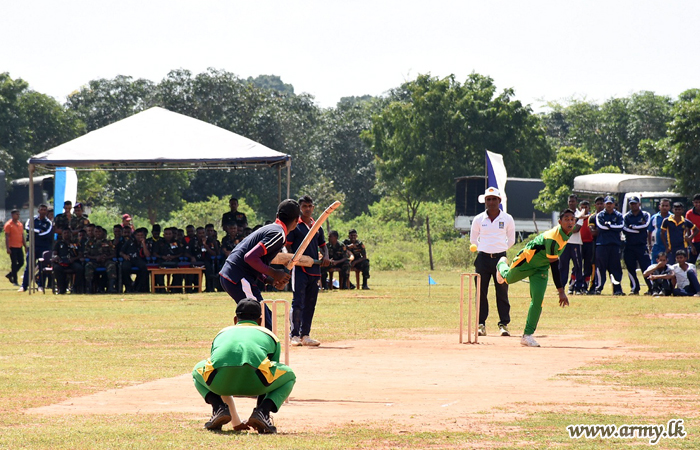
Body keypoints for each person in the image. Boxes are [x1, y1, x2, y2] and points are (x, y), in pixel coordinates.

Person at [192, 298, 295, 433]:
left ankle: (218, 408)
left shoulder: (221, 333)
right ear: (260, 320)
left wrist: (236, 422)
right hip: (257, 384)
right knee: (289, 375)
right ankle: (263, 412)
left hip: (220, 383)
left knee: (197, 370)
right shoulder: (269, 335)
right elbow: (269, 372)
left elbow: (216, 367)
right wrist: (260, 413)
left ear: (236, 319)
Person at [495, 209, 576, 347]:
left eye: (572, 219)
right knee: (507, 279)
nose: (569, 222)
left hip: (541, 268)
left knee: (538, 300)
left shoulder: (567, 234)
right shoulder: (553, 239)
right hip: (527, 260)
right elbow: (555, 266)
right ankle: (501, 264)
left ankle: (527, 335)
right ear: (560, 222)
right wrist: (561, 291)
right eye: (566, 219)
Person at [218, 199, 300, 330]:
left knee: (266, 318)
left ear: (277, 215)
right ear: (297, 221)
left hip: (235, 276)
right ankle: (255, 349)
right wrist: (274, 272)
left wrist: (268, 279)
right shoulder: (278, 234)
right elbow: (250, 257)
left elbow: (255, 261)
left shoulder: (272, 229)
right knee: (261, 321)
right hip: (238, 278)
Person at [469, 187, 516, 337]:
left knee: (502, 292)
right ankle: (481, 324)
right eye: (488, 199)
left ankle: (503, 324)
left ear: (499, 201)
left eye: (494, 199)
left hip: (500, 259)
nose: (491, 202)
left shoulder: (507, 218)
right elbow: (473, 239)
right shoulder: (478, 219)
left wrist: (500, 250)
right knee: (481, 292)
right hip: (482, 259)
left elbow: (512, 239)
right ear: (485, 201)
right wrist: (484, 249)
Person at [285, 195, 330, 347]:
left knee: (311, 303)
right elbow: (288, 246)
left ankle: (306, 335)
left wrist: (326, 256)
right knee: (298, 302)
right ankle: (294, 335)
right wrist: (291, 261)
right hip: (300, 269)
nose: (308, 209)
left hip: (315, 269)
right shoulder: (295, 226)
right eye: (305, 206)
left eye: (310, 206)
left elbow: (323, 245)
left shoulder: (317, 226)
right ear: (300, 208)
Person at [593, 196, 625, 295]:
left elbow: (621, 226)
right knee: (600, 267)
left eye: (611, 203)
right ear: (604, 204)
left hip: (614, 245)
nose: (609, 205)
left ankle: (617, 289)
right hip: (602, 245)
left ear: (614, 204)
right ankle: (598, 288)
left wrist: (609, 226)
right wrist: (613, 227)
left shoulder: (619, 215)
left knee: (615, 267)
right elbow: (601, 227)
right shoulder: (600, 215)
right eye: (607, 203)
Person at [19, 204, 53, 292]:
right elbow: (27, 228)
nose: (43, 211)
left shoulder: (48, 222)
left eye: (45, 210)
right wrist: (37, 231)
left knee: (42, 266)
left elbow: (47, 234)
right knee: (29, 266)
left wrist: (34, 234)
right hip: (33, 246)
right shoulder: (32, 219)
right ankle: (24, 286)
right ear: (38, 210)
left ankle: (41, 286)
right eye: (41, 210)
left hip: (43, 247)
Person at [622, 196, 653, 295]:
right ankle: (635, 288)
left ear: (639, 204)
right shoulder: (626, 216)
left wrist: (634, 227)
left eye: (635, 203)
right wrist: (638, 230)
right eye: (631, 204)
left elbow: (646, 225)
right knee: (631, 268)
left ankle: (652, 288)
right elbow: (624, 229)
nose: (633, 205)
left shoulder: (645, 215)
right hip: (629, 246)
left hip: (641, 245)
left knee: (646, 268)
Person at [559, 195, 583, 295]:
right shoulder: (564, 214)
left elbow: (576, 229)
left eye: (573, 201)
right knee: (563, 266)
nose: (571, 203)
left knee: (577, 266)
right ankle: (562, 288)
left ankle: (577, 288)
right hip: (565, 243)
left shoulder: (580, 214)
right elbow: (562, 229)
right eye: (570, 201)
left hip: (576, 244)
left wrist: (568, 226)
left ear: (576, 202)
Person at [84, 226, 118, 293]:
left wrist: (106, 257)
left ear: (103, 233)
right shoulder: (89, 243)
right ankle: (89, 288)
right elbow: (86, 254)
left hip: (106, 261)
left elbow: (114, 254)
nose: (98, 233)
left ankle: (111, 287)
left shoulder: (108, 242)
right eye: (96, 232)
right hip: (94, 261)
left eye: (99, 231)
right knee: (88, 265)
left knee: (112, 265)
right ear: (93, 233)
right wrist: (96, 258)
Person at [51, 229, 85, 294]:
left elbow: (80, 254)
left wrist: (74, 259)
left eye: (68, 233)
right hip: (61, 262)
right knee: (57, 268)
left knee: (79, 268)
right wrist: (56, 257)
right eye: (65, 233)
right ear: (62, 235)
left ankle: (75, 287)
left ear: (71, 234)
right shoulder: (58, 243)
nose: (66, 234)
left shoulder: (76, 243)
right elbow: (54, 253)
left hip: (73, 261)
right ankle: (61, 288)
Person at [119, 227, 150, 293]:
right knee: (124, 268)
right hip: (129, 259)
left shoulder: (146, 242)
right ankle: (128, 287)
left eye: (141, 235)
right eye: (138, 235)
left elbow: (147, 255)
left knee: (144, 268)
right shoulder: (129, 242)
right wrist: (124, 255)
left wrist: (143, 244)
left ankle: (138, 287)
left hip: (139, 260)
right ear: (135, 235)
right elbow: (121, 252)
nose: (140, 237)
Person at [586, 196, 606, 295]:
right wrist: (607, 229)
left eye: (601, 203)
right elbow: (593, 233)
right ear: (595, 205)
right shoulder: (593, 217)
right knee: (595, 266)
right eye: (598, 204)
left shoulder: (608, 215)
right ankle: (593, 287)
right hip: (596, 244)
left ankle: (616, 289)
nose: (600, 206)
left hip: (609, 244)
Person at [4, 209, 26, 286]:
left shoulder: (20, 224)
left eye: (18, 214)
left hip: (19, 246)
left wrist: (25, 246)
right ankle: (15, 280)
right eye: (16, 214)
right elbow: (6, 236)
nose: (18, 216)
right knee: (14, 263)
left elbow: (22, 236)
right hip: (12, 246)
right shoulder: (8, 224)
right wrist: (7, 248)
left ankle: (11, 274)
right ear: (12, 215)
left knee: (21, 262)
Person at [578, 200, 595, 293]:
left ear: (589, 208)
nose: (584, 209)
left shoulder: (591, 217)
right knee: (578, 265)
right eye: (582, 207)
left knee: (588, 265)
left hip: (590, 243)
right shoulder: (577, 216)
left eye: (586, 207)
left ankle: (585, 285)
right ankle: (575, 285)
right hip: (579, 243)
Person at [685, 194, 700, 264]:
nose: (698, 204)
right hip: (695, 242)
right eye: (696, 202)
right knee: (691, 263)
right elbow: (688, 231)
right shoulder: (689, 214)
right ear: (693, 203)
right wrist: (691, 246)